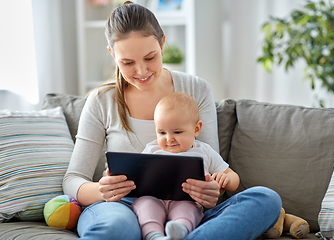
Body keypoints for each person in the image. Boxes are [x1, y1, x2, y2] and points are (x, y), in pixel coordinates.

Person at [62, 1, 282, 239]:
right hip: (122, 207)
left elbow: (207, 161)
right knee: (116, 228)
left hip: (187, 210)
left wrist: (211, 191)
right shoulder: (101, 101)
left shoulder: (195, 89)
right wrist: (101, 191)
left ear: (162, 43)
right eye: (127, 63)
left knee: (266, 199)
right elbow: (73, 179)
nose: (142, 71)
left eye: (150, 57)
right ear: (112, 55)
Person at [132, 92, 240, 240]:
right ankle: (154, 236)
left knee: (188, 211)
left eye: (177, 132)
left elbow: (233, 178)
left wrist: (225, 178)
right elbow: (137, 175)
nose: (169, 138)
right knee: (145, 205)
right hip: (154, 199)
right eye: (162, 132)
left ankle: (179, 232)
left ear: (196, 129)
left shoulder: (204, 150)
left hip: (187, 200)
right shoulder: (152, 149)